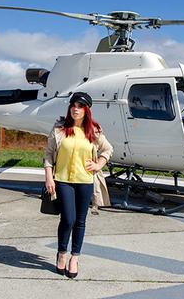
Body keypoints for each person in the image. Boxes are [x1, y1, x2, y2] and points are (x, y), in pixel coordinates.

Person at [44, 92, 113, 279]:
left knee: (80, 221)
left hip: (85, 182)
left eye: (80, 106)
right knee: (68, 219)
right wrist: (49, 177)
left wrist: (98, 164)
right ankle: (61, 253)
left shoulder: (94, 130)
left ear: (86, 110)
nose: (76, 109)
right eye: (73, 105)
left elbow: (108, 149)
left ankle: (75, 258)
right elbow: (49, 154)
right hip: (63, 180)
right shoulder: (59, 128)